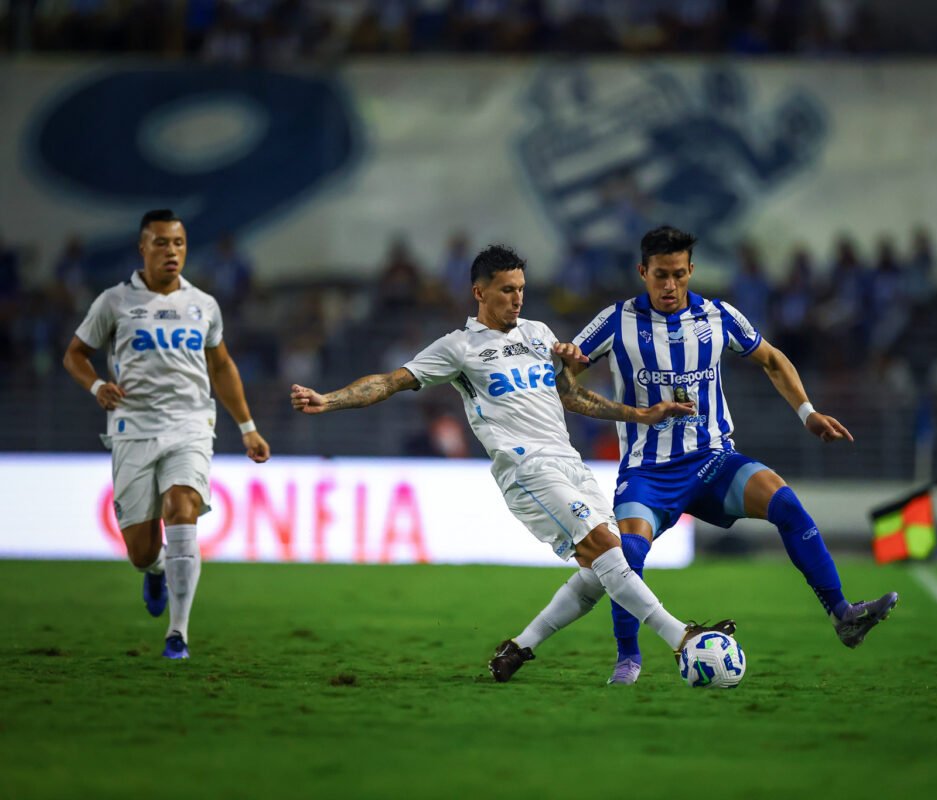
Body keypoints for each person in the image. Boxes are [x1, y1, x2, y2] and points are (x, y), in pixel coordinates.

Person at [289, 244, 729, 683]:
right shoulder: (458, 348)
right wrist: (328, 400)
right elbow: (389, 382)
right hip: (526, 469)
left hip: (569, 463)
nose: (517, 298)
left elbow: (572, 396)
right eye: (506, 290)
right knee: (605, 549)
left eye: (520, 288)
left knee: (605, 570)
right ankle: (683, 637)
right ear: (479, 292)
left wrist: (639, 414)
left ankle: (521, 647)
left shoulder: (538, 333)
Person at [569, 225, 898, 685]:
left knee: (785, 503)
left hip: (713, 461)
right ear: (642, 272)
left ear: (691, 271)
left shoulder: (717, 316)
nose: (670, 286)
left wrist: (808, 413)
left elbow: (773, 359)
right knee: (629, 554)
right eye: (660, 275)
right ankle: (628, 660)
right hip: (649, 471)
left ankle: (842, 613)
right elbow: (563, 373)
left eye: (679, 275)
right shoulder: (615, 321)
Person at [62, 210, 271, 659]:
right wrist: (97, 385)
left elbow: (221, 366)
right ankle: (155, 571)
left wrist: (248, 428)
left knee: (182, 507)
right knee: (140, 551)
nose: (171, 251)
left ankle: (178, 633)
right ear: (142, 248)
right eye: (160, 243)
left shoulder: (203, 305)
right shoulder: (114, 302)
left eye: (178, 243)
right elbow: (75, 355)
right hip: (133, 429)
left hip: (191, 426)